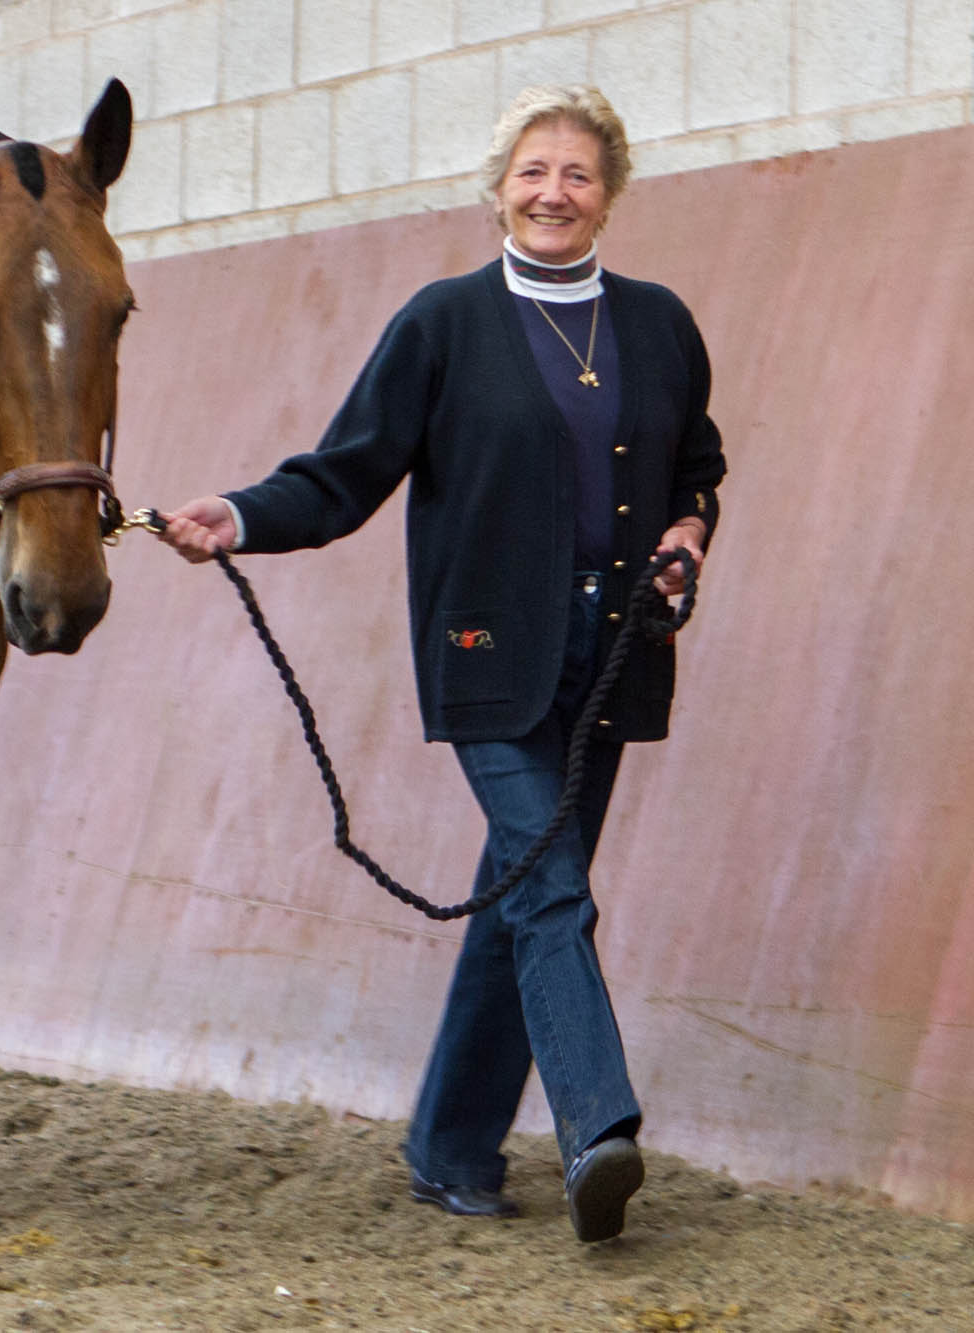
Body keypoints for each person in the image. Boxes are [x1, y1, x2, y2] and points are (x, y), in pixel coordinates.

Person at [156, 84, 724, 1244]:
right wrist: (241, 516)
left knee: (521, 890)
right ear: (495, 188)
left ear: (607, 192)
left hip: (613, 650)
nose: (550, 192)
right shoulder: (442, 322)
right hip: (484, 650)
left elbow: (695, 465)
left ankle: (450, 1148)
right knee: (551, 880)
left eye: (574, 173)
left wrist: (687, 532)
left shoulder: (659, 323)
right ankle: (595, 1132)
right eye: (530, 171)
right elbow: (342, 471)